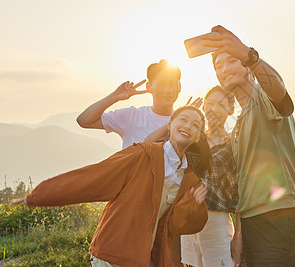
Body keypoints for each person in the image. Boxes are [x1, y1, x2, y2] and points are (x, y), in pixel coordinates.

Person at [12, 106, 210, 267]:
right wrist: (38, 196)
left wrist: (194, 206)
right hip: (116, 252)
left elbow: (178, 226)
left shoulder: (188, 177)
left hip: (148, 256)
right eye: (183, 119)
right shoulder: (142, 155)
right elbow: (94, 177)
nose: (187, 126)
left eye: (195, 125)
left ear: (198, 136)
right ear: (170, 124)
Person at [201, 25, 295, 266]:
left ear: (246, 65)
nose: (224, 69)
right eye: (218, 66)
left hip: (279, 215)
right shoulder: (238, 125)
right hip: (251, 221)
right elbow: (243, 184)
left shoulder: (262, 98)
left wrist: (249, 55)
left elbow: (279, 91)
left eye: (231, 61)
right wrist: (239, 236)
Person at [180, 86, 242, 267]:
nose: (214, 109)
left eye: (221, 104)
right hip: (187, 220)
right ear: (204, 107)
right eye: (210, 104)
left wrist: (239, 238)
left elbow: (239, 194)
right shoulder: (191, 141)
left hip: (215, 222)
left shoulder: (234, 145)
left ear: (231, 110)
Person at [77, 59, 181, 149]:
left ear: (179, 87)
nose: (169, 90)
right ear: (149, 87)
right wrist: (114, 96)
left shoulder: (186, 123)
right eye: (162, 84)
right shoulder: (132, 116)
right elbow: (84, 120)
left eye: (173, 84)